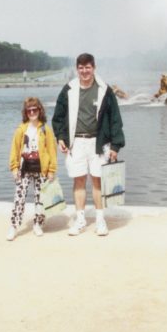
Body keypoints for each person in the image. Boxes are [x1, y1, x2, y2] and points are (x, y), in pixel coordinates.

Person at [52, 53, 125, 236]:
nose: (84, 71)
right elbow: (58, 117)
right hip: (76, 142)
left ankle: (100, 220)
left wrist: (116, 146)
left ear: (94, 68)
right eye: (81, 68)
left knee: (98, 181)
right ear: (77, 69)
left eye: (88, 67)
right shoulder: (68, 89)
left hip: (98, 143)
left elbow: (115, 119)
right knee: (79, 180)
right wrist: (61, 137)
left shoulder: (104, 90)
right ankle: (80, 219)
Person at [7, 97, 58, 241]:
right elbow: (14, 149)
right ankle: (14, 226)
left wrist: (52, 170)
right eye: (29, 111)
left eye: (34, 109)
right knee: (19, 198)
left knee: (40, 198)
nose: (32, 113)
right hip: (24, 168)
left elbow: (52, 151)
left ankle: (38, 224)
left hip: (41, 168)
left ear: (39, 110)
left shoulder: (46, 130)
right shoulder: (20, 130)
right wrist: (14, 167)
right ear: (25, 113)